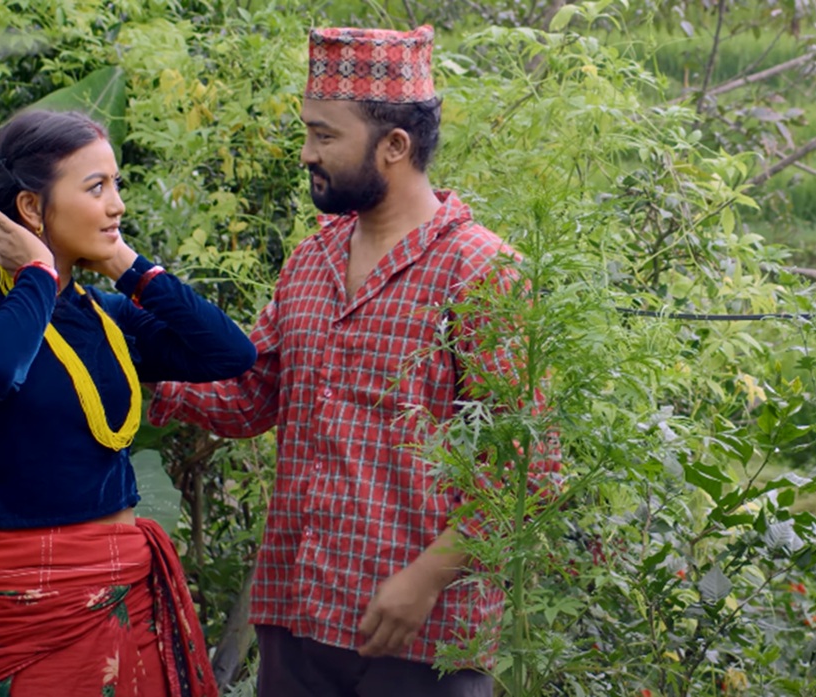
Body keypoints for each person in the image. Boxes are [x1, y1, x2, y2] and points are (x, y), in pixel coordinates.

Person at [148, 25, 559, 697]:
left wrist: (426, 577)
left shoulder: (481, 272)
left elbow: (526, 467)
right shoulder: (311, 261)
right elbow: (252, 396)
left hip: (419, 637)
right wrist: (136, 378)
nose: (306, 153)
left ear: (394, 145)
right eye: (308, 132)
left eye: (325, 136)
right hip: (298, 617)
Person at [0, 109, 256, 697]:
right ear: (31, 208)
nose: (117, 205)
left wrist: (128, 268)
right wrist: (38, 274)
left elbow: (229, 353)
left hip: (120, 590)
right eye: (97, 187)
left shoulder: (104, 315)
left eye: (116, 185)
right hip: (15, 604)